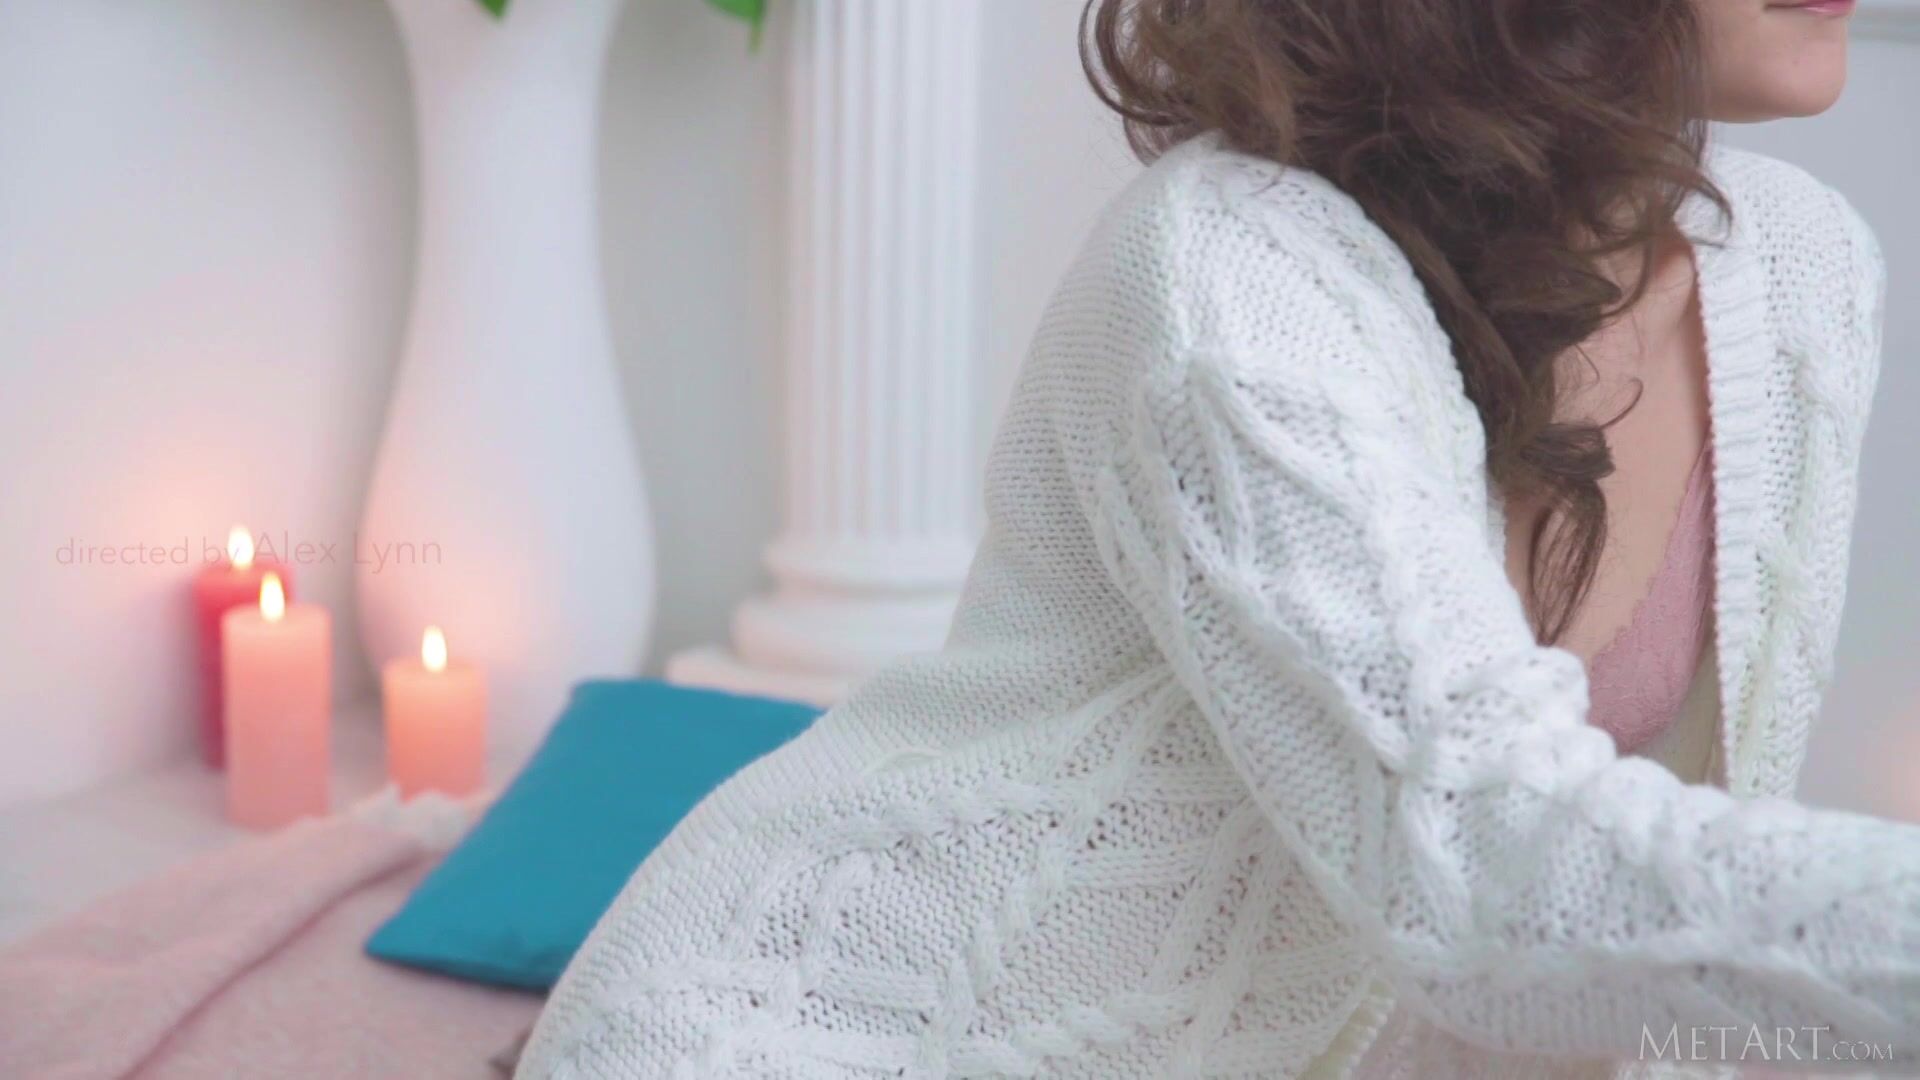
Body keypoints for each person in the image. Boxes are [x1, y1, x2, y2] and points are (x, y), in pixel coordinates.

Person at [519, 1, 1916, 1076]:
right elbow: (1482, 873)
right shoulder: (1232, 269)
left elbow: (1638, 935)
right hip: (826, 1036)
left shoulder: (1803, 275)